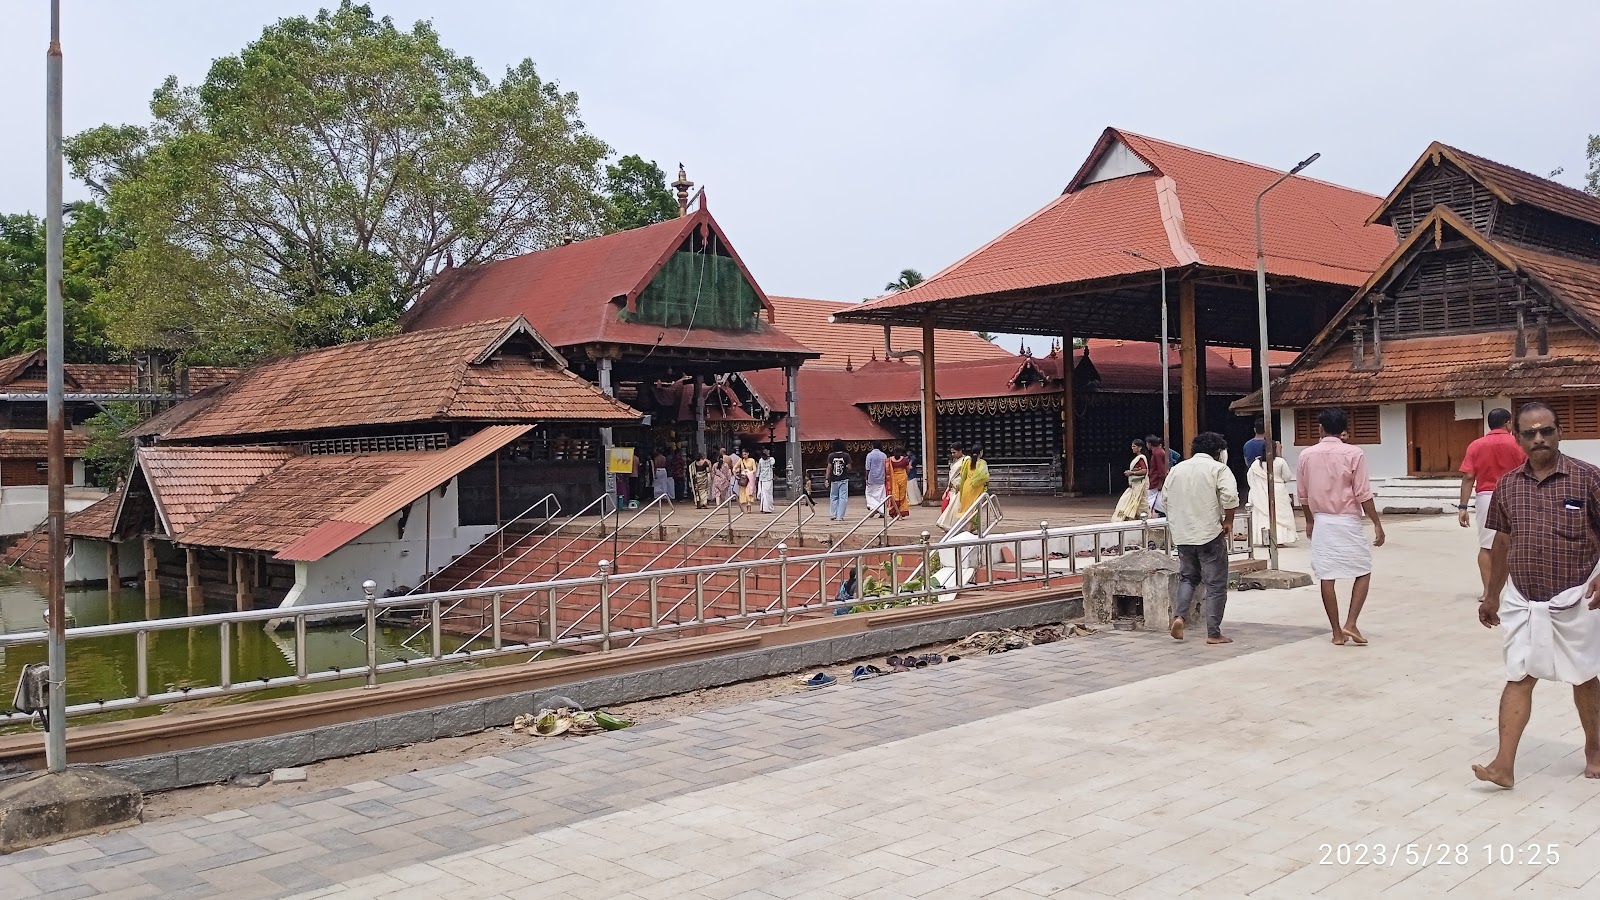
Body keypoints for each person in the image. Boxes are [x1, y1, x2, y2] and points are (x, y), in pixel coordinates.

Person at [1473, 401, 1600, 789]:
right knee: (1519, 675)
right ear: (1518, 438)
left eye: (1547, 431)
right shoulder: (1509, 484)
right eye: (1530, 433)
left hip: (1579, 599)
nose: (1539, 439)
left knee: (1586, 678)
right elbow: (1502, 541)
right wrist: (1492, 595)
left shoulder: (1588, 478)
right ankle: (1503, 765)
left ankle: (1595, 751)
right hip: (1524, 600)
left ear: (1560, 432)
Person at [1296, 407, 1386, 646]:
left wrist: (1309, 520)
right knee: (1363, 570)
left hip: (1322, 520)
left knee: (1327, 576)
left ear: (1320, 428)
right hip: (1347, 520)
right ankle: (1351, 622)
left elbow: (1302, 495)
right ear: (1344, 430)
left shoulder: (1306, 455)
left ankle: (1337, 632)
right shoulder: (1354, 453)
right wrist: (1377, 522)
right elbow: (1363, 493)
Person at [1162, 431, 1240, 644]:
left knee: (1188, 577)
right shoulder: (1219, 469)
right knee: (1215, 584)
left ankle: (1179, 617)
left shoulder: (1177, 470)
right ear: (1218, 452)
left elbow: (1164, 499)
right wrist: (1229, 520)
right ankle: (1213, 633)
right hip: (1209, 534)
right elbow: (1231, 497)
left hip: (1183, 535)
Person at [1458, 408, 1525, 602]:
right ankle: (1518, 593)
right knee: (1517, 544)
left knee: (1487, 546)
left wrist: (1463, 507)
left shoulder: (1476, 445)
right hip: (1515, 493)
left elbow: (1469, 476)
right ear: (1507, 423)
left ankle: (1488, 592)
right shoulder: (1518, 443)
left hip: (1486, 496)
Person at [1247, 441, 1297, 547]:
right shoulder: (1280, 462)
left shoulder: (1256, 464)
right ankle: (1280, 539)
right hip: (1278, 491)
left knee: (1264, 515)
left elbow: (1250, 478)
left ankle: (1264, 540)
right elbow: (1287, 476)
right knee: (1279, 515)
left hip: (1260, 493)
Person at [1111, 438, 1150, 522]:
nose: (1132, 448)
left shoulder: (1141, 458)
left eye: (1134, 446)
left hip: (1139, 485)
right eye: (1132, 446)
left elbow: (1144, 470)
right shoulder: (1137, 458)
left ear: (1140, 448)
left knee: (1140, 502)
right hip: (1134, 485)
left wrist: (1132, 473)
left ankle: (1141, 517)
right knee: (1127, 500)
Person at [955, 444, 990, 532]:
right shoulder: (982, 463)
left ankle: (973, 528)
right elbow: (984, 477)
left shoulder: (967, 461)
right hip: (977, 488)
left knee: (968, 508)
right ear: (981, 452)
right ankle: (970, 529)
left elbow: (963, 474)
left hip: (967, 486)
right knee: (975, 509)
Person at [936, 444, 968, 530]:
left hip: (959, 487)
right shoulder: (954, 460)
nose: (953, 454)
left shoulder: (966, 460)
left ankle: (956, 526)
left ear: (960, 450)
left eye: (954, 452)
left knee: (956, 509)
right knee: (946, 507)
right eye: (952, 452)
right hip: (951, 487)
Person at [826, 440, 851, 521]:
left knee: (833, 497)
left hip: (834, 479)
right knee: (843, 497)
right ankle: (840, 516)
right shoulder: (846, 455)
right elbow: (849, 467)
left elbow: (829, 468)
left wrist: (827, 478)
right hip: (843, 479)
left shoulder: (831, 456)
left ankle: (833, 514)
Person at [1147, 435, 1171, 516]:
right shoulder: (1159, 452)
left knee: (1151, 501)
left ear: (1150, 444)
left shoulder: (1157, 453)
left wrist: (1160, 483)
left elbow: (1161, 469)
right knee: (1156, 502)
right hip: (1156, 481)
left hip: (1156, 481)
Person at [864, 442, 888, 518]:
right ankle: (881, 510)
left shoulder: (869, 455)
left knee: (869, 495)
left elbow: (868, 468)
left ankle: (875, 508)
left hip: (872, 478)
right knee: (881, 496)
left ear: (872, 446)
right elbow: (886, 467)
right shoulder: (884, 455)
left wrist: (866, 477)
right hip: (881, 477)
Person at [887, 447, 912, 519]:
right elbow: (908, 469)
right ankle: (897, 511)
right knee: (898, 494)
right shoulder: (893, 460)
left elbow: (907, 468)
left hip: (898, 478)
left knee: (898, 494)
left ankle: (898, 511)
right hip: (898, 478)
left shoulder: (901, 460)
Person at [736, 448, 758, 514]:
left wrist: (750, 472)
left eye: (745, 454)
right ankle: (745, 506)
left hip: (750, 478)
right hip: (743, 478)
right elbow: (735, 467)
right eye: (743, 454)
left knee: (749, 492)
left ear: (748, 454)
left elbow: (755, 469)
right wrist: (735, 473)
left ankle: (749, 506)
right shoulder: (741, 460)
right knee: (743, 492)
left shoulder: (752, 460)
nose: (744, 456)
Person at [756, 447, 776, 513]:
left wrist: (768, 456)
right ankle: (764, 508)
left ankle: (768, 508)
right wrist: (757, 477)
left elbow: (772, 463)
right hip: (762, 479)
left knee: (768, 494)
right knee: (763, 494)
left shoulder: (771, 459)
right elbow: (759, 469)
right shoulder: (760, 460)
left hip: (769, 479)